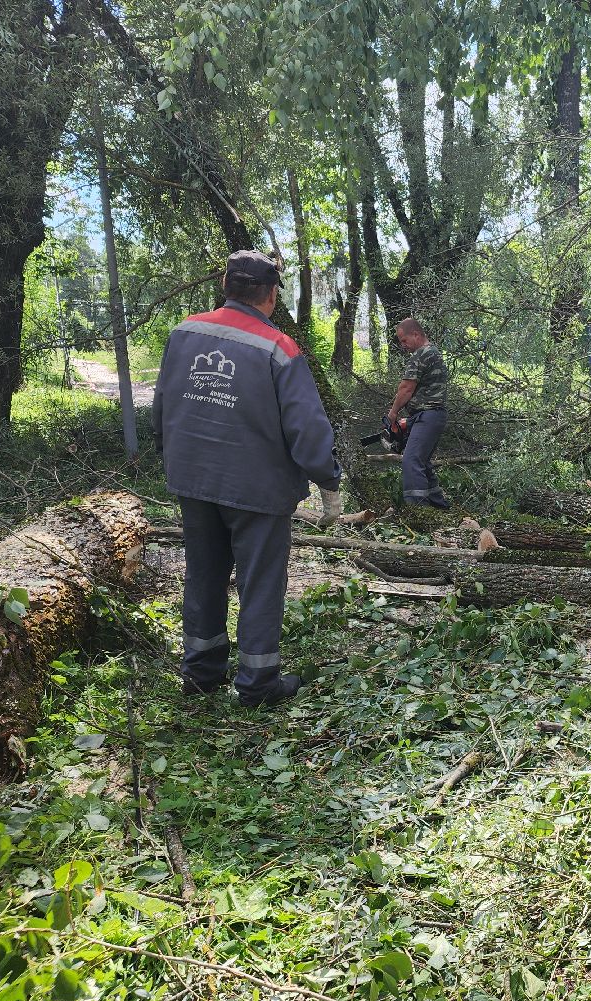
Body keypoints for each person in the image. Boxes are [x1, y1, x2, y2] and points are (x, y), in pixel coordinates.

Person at [153, 250, 342, 706]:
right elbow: (307, 427)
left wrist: (172, 456)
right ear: (271, 294)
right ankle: (258, 684)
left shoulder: (184, 332)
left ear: (226, 287)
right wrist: (329, 481)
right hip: (257, 489)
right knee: (259, 583)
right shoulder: (279, 347)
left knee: (203, 575)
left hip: (193, 479)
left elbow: (162, 404)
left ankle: (200, 672)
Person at [387, 318, 451, 509]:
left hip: (428, 416)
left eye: (404, 340)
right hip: (429, 416)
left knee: (411, 460)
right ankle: (439, 506)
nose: (403, 345)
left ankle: (418, 510)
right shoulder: (433, 352)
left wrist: (392, 414)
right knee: (422, 462)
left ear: (416, 334)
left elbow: (406, 388)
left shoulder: (422, 355)